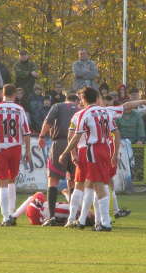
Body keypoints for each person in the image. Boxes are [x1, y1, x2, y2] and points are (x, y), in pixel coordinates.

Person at [58, 86, 120, 232]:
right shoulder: (105, 112)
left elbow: (75, 137)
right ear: (97, 98)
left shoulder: (83, 114)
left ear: (84, 99)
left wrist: (65, 152)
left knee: (96, 186)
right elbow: (116, 134)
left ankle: (104, 223)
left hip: (93, 150)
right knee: (99, 185)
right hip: (106, 148)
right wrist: (115, 154)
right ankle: (98, 221)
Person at [0, 84, 31, 227]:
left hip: (0, 148)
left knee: (2, 181)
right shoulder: (20, 109)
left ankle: (5, 217)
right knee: (11, 180)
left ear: (2, 94)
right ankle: (11, 213)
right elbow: (26, 132)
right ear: (14, 95)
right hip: (16, 148)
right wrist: (27, 150)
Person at [37, 94, 79, 226]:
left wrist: (42, 136)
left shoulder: (58, 106)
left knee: (53, 180)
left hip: (60, 143)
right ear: (77, 101)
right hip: (76, 144)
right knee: (73, 182)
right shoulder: (80, 110)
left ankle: (52, 217)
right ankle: (72, 218)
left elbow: (48, 121)